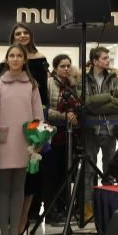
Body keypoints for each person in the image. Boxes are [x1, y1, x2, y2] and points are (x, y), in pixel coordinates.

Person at [0, 44, 43, 235]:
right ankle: (4, 232)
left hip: (24, 142)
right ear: (7, 59)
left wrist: (37, 140)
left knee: (19, 187)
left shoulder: (32, 84)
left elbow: (38, 115)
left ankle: (14, 233)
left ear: (24, 60)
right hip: (2, 143)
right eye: (11, 55)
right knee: (3, 188)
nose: (14, 59)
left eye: (18, 56)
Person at [8, 23, 47, 232]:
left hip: (34, 120)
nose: (22, 36)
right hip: (10, 126)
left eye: (25, 33)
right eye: (18, 33)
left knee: (32, 175)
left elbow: (44, 98)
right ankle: (10, 220)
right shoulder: (5, 64)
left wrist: (39, 126)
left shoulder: (40, 59)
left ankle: (24, 219)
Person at [43, 54, 77, 225]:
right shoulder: (48, 84)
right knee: (51, 175)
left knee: (65, 175)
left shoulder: (72, 85)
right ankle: (51, 211)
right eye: (62, 66)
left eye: (68, 66)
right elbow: (44, 110)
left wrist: (73, 116)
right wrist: (64, 116)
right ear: (55, 67)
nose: (66, 69)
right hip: (51, 135)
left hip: (68, 136)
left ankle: (63, 209)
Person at [83, 46, 118, 186]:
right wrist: (107, 97)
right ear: (95, 61)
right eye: (104, 58)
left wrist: (95, 106)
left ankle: (107, 206)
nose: (108, 61)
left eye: (108, 57)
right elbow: (85, 103)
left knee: (109, 171)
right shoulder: (84, 80)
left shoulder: (114, 80)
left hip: (110, 130)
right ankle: (88, 207)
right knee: (89, 171)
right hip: (91, 130)